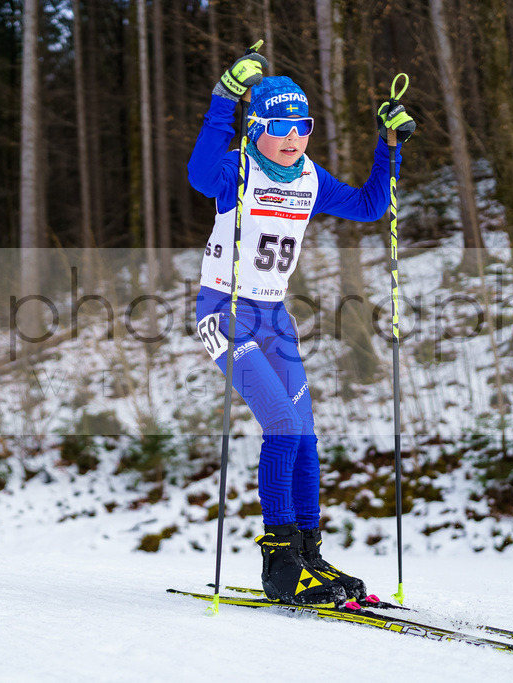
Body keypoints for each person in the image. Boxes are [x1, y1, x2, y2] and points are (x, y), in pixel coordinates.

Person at [188, 46, 414, 606]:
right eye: (282, 127)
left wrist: (389, 149)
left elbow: (369, 206)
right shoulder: (237, 168)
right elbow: (197, 175)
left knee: (306, 439)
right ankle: (279, 560)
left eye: (303, 126)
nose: (294, 138)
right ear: (258, 128)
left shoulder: (309, 177)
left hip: (273, 318)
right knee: (283, 428)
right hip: (225, 313)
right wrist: (223, 102)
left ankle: (309, 554)